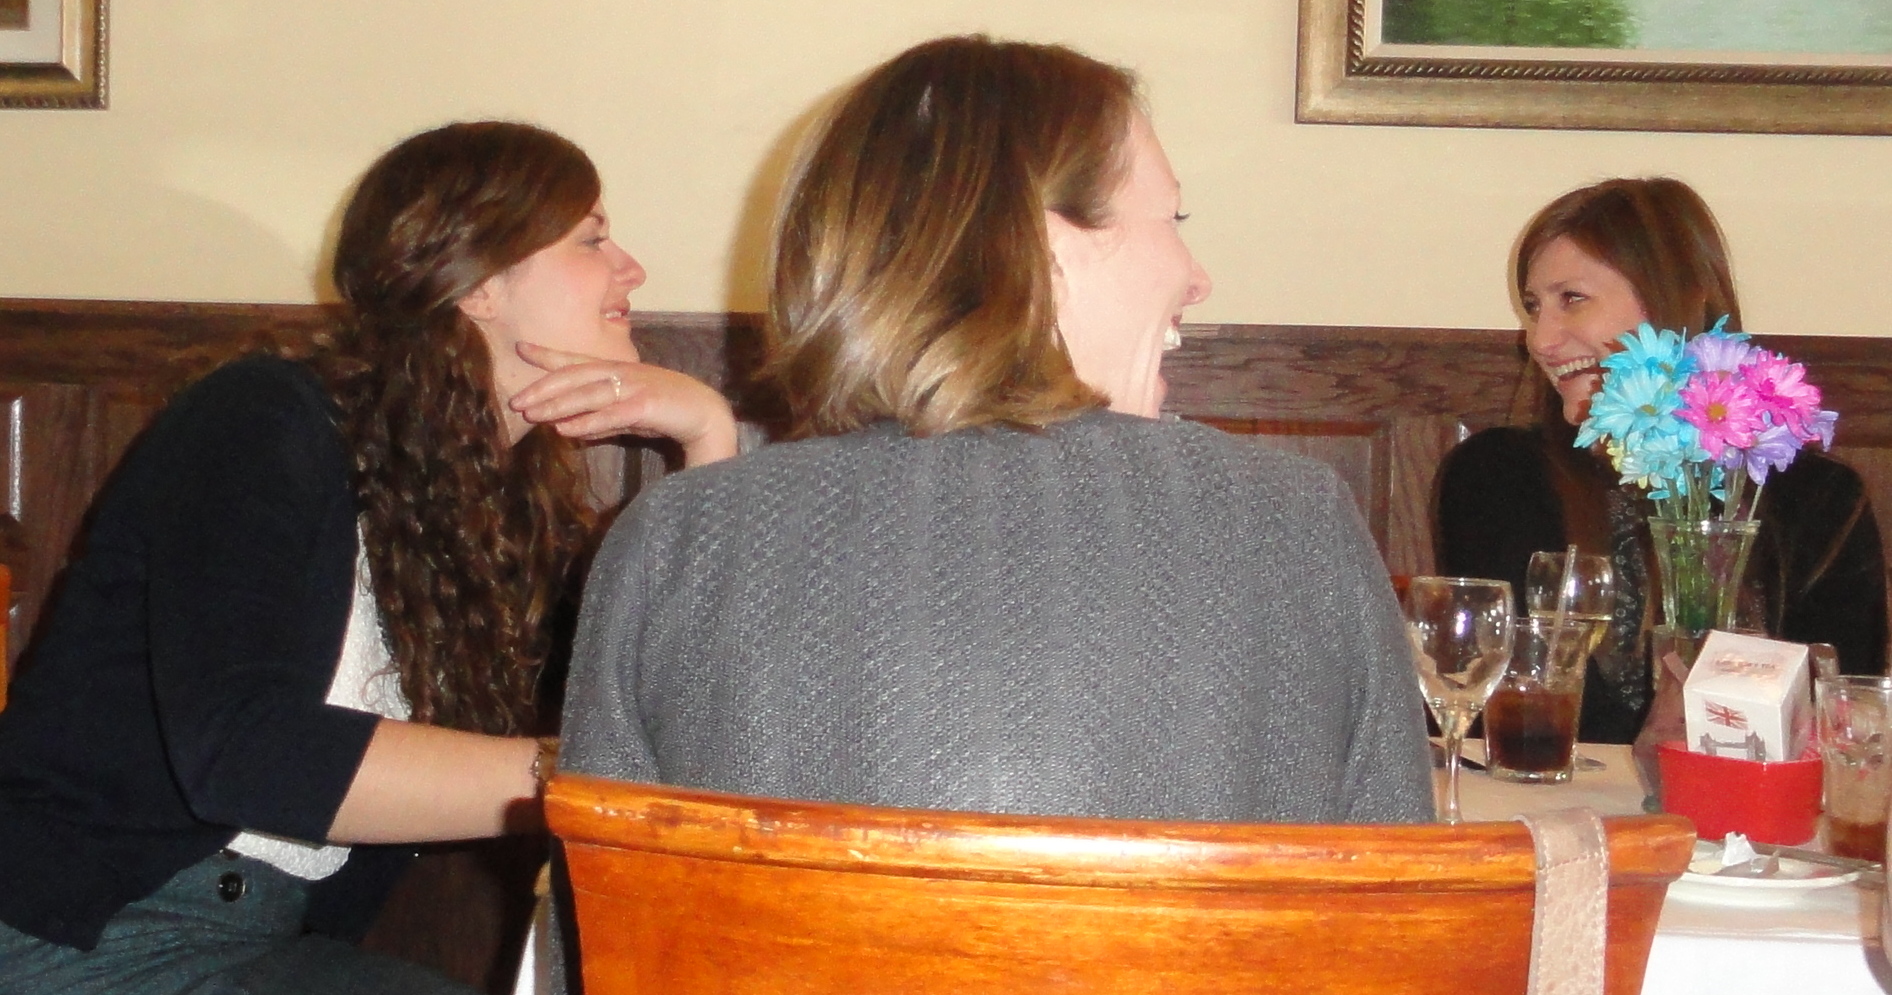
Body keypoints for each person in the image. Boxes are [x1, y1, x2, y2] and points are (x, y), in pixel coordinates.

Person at [0, 121, 737, 995]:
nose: (629, 267)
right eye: (592, 238)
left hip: (264, 955)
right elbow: (248, 751)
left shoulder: (481, 501)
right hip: (63, 974)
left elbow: (666, 710)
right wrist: (583, 774)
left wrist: (708, 441)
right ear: (481, 281)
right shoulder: (262, 420)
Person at [560, 35, 1432, 824]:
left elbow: (594, 938)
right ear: (1045, 250)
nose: (1196, 277)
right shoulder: (1293, 524)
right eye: (1173, 220)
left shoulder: (668, 541)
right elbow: (1400, 919)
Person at [1435, 177, 1886, 743]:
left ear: (1670, 302)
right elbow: (1498, 702)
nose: (1540, 340)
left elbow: (1842, 713)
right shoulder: (1497, 476)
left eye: (1572, 299)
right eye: (1533, 307)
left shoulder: (1820, 500)